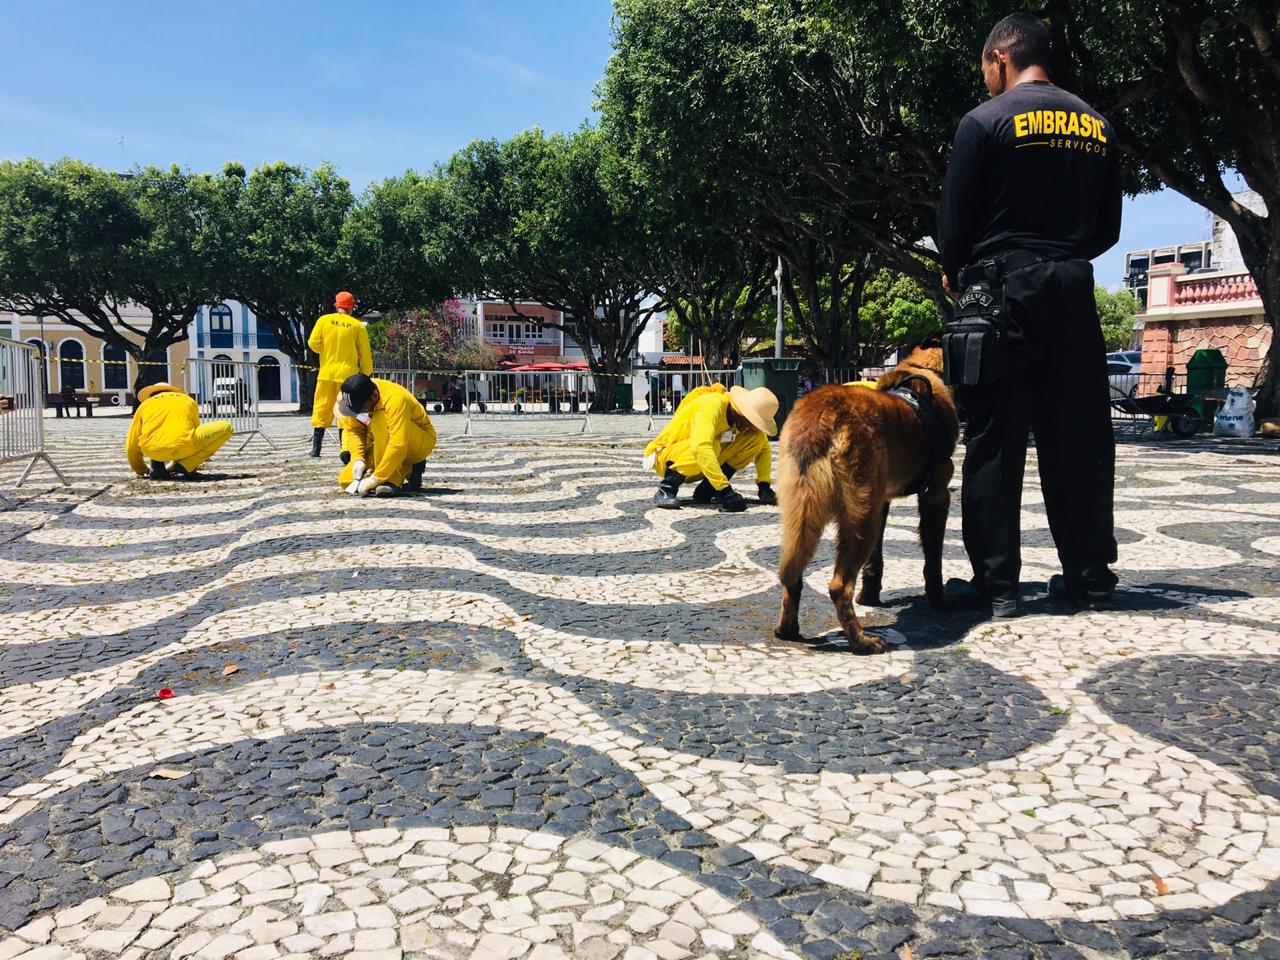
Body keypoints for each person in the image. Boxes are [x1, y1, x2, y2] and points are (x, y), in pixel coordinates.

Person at [938, 12, 1122, 617]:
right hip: (1072, 287)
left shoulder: (983, 123)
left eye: (985, 69)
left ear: (1000, 60)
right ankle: (1091, 578)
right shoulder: (1097, 126)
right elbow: (1107, 229)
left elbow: (952, 228)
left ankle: (998, 587)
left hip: (999, 294)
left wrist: (964, 263)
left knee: (995, 437)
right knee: (1081, 437)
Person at [645, 383, 779, 512]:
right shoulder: (712, 406)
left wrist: (764, 486)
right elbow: (700, 447)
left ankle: (707, 490)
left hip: (701, 462)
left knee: (756, 440)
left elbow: (764, 448)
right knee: (710, 446)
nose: (753, 427)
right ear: (743, 413)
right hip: (667, 456)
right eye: (754, 422)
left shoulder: (740, 421)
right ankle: (666, 488)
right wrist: (725, 491)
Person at [336, 373, 436, 496]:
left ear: (374, 396)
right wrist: (358, 459)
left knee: (379, 420)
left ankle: (391, 481)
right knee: (346, 480)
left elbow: (398, 443)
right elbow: (354, 430)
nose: (360, 413)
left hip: (419, 442)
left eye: (362, 409)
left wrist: (376, 478)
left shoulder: (395, 399)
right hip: (382, 442)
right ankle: (410, 469)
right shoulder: (353, 396)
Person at [307, 291, 372, 458]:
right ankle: (345, 450)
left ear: (336, 305)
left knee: (321, 408)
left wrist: (325, 351)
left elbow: (312, 343)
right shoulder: (357, 326)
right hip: (348, 377)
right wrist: (366, 374)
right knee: (345, 411)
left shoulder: (324, 320)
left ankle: (316, 449)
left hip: (326, 373)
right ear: (352, 307)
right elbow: (365, 352)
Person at [125, 383, 233, 480]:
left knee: (154, 436)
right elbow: (194, 430)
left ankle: (157, 467)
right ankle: (185, 465)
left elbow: (131, 444)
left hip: (152, 450)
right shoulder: (188, 401)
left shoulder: (144, 405)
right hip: (184, 446)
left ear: (152, 394)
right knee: (226, 428)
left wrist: (141, 469)